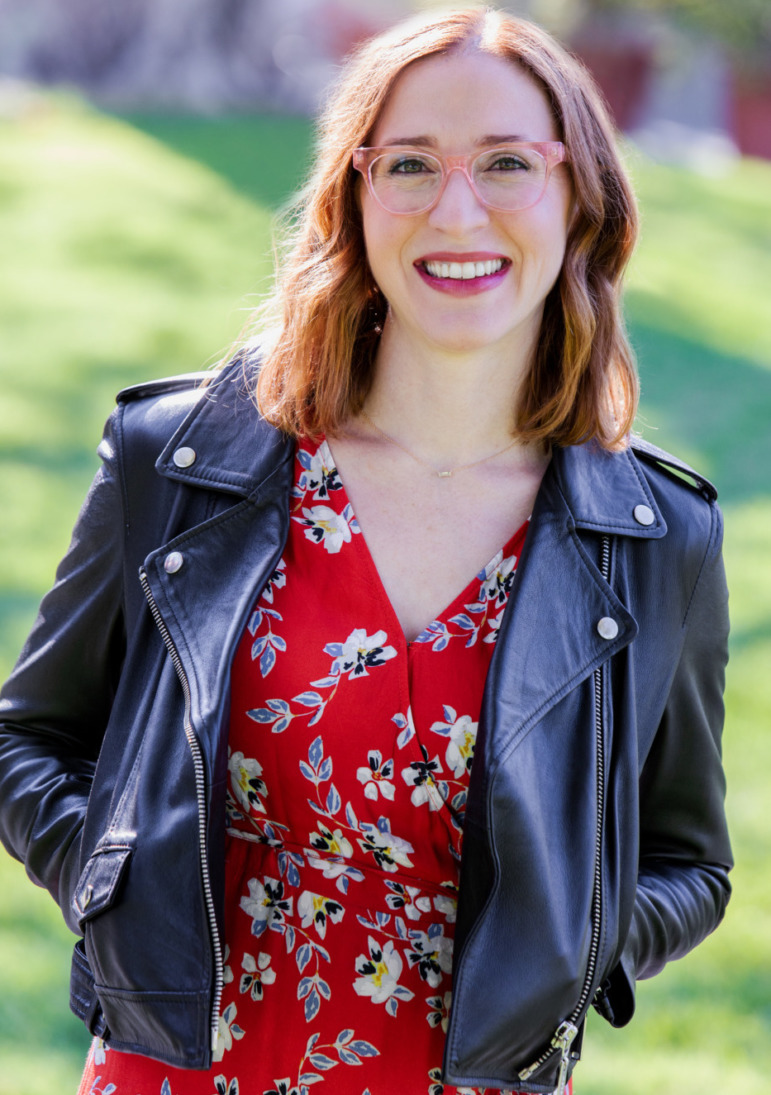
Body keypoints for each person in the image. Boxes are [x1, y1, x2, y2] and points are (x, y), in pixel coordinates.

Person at [0, 8, 732, 1095]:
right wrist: (114, 879)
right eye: (409, 165)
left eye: (505, 164)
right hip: (181, 1075)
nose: (456, 208)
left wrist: (566, 952)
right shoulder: (186, 463)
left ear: (581, 200)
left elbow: (688, 861)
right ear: (353, 194)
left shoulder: (653, 536)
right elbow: (29, 739)